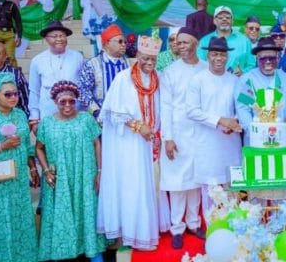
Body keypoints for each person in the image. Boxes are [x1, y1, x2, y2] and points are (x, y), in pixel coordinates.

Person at [97, 35, 163, 251]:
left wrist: (155, 133)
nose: (149, 63)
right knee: (129, 184)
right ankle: (125, 233)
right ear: (137, 56)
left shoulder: (158, 79)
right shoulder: (123, 78)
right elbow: (113, 113)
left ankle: (142, 231)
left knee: (147, 185)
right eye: (145, 58)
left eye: (153, 59)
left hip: (149, 142)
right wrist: (138, 127)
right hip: (128, 144)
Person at [36, 81, 105, 261]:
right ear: (55, 102)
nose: (68, 105)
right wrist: (45, 171)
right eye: (63, 102)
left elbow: (97, 143)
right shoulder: (47, 123)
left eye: (71, 101)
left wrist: (99, 171)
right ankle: (63, 252)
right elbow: (38, 148)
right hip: (61, 177)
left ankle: (93, 250)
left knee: (87, 209)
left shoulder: (86, 119)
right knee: (62, 210)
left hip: (85, 173)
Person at [0, 72, 39, 262]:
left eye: (16, 93)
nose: (13, 98)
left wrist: (33, 168)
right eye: (7, 94)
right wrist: (2, 146)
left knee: (20, 224)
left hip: (16, 182)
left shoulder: (19, 115)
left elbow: (27, 145)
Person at [160, 28, 207, 249]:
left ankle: (194, 223)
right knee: (177, 183)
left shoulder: (206, 69)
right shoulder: (170, 71)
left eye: (186, 42)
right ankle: (176, 227)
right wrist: (167, 137)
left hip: (201, 133)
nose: (181, 46)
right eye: (178, 43)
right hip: (177, 133)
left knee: (196, 181)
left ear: (196, 44)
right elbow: (165, 107)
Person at [186, 37, 241, 211]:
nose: (219, 58)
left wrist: (236, 121)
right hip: (208, 144)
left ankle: (234, 231)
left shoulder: (235, 80)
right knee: (211, 191)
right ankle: (213, 232)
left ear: (227, 57)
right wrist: (220, 120)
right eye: (215, 54)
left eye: (222, 54)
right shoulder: (198, 80)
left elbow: (244, 105)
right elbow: (192, 110)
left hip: (231, 143)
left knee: (232, 189)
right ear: (208, 55)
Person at [236, 36, 286, 151]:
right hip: (255, 143)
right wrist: (257, 135)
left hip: (284, 142)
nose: (268, 62)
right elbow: (243, 111)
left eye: (272, 58)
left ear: (278, 58)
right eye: (263, 58)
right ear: (257, 59)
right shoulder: (247, 80)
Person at [29, 21, 84, 131]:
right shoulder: (37, 60)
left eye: (62, 35)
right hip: (48, 112)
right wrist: (34, 117)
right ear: (46, 39)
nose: (59, 39)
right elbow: (34, 90)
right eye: (54, 36)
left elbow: (83, 87)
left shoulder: (78, 57)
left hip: (73, 111)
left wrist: (83, 112)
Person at [78, 24, 130, 118]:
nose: (124, 45)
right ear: (106, 43)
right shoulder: (92, 64)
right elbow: (83, 90)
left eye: (125, 42)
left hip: (126, 119)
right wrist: (96, 111)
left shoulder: (129, 64)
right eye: (120, 41)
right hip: (100, 119)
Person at [198, 6, 255, 75]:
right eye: (220, 17)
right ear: (214, 21)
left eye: (228, 17)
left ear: (232, 21)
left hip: (237, 83)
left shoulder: (244, 41)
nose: (224, 19)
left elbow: (251, 65)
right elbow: (199, 64)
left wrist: (243, 72)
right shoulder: (204, 41)